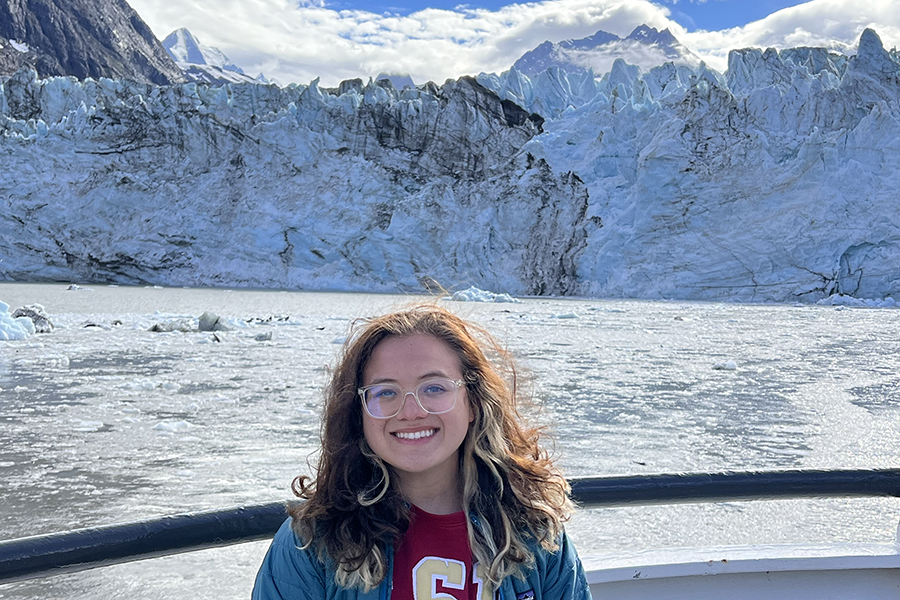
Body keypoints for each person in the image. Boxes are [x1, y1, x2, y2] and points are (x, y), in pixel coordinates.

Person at [252, 304, 591, 600]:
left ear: (472, 402)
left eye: (433, 388)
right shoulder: (313, 544)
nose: (411, 411)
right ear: (360, 411)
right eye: (385, 392)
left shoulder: (535, 535)